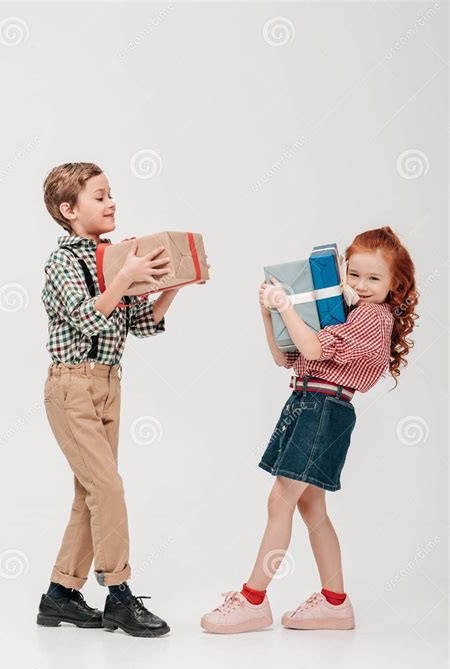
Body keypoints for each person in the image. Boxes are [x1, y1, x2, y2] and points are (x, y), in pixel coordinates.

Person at [201, 226, 418, 634]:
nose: (362, 285)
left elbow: (315, 349)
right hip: (308, 403)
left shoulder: (372, 316)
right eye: (354, 274)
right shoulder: (345, 311)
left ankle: (253, 600)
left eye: (374, 278)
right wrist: (269, 312)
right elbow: (285, 357)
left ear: (395, 284)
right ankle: (335, 603)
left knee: (279, 501)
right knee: (310, 507)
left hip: (322, 407)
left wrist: (285, 307)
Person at [38, 161, 181, 637]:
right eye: (99, 197)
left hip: (108, 384)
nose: (111, 202)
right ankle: (118, 594)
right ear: (69, 210)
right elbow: (88, 319)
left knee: (91, 492)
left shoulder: (115, 258)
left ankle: (60, 595)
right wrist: (126, 277)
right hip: (71, 386)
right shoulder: (63, 263)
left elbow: (138, 324)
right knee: (108, 488)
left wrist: (170, 287)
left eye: (110, 194)